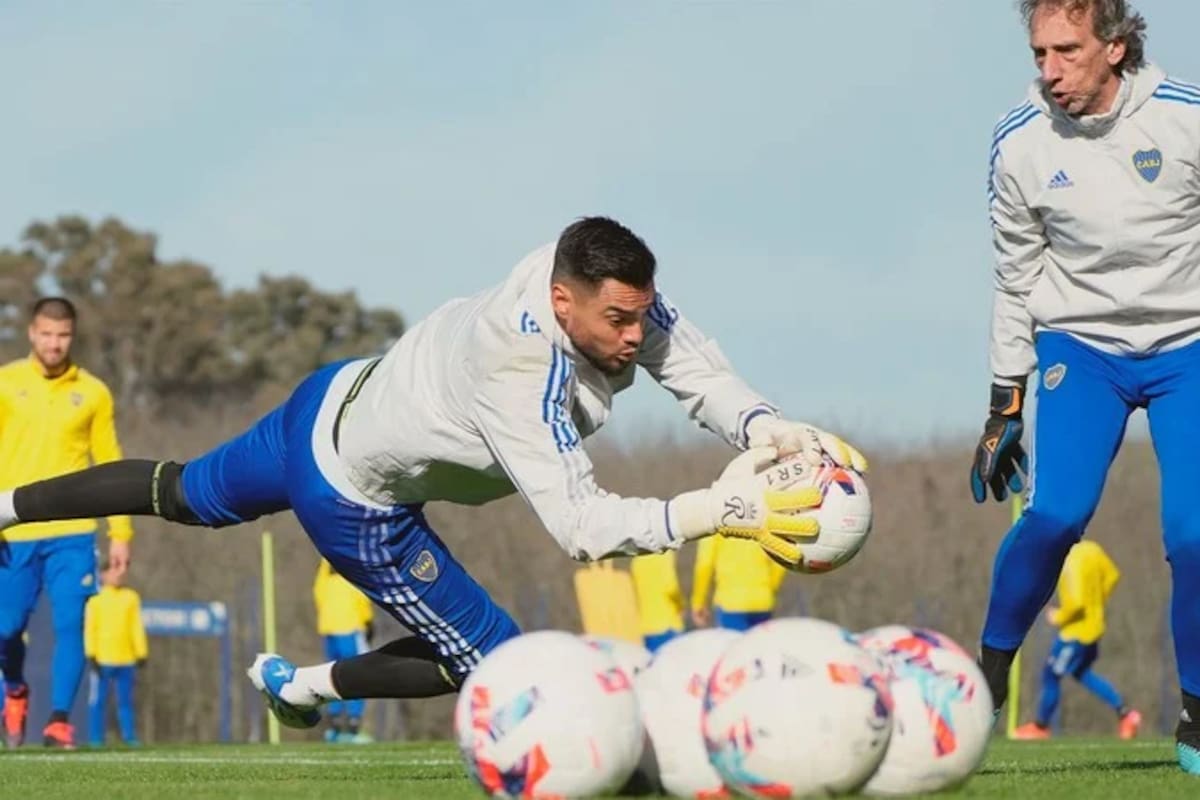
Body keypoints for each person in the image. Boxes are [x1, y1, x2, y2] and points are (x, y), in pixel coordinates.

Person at [0, 216, 866, 731]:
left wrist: (770, 428)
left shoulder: (586, 273)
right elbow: (583, 530)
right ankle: (300, 685)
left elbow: (694, 367)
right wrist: (722, 508)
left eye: (640, 316)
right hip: (354, 500)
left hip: (331, 392)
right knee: (488, 661)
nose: (636, 339)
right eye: (618, 321)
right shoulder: (518, 368)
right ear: (565, 303)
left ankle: (3, 506)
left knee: (182, 491)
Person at [967, 0, 1200, 773]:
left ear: (1115, 45)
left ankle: (1196, 709)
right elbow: (1016, 276)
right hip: (1083, 345)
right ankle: (987, 677)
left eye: (1067, 51)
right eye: (1039, 53)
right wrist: (1005, 400)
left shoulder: (1185, 120)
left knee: (1193, 534)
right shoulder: (1019, 142)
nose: (1049, 70)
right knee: (1057, 512)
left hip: (1188, 347)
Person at [0, 297, 134, 749]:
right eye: (47, 334)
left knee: (70, 623)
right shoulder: (5, 383)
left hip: (73, 532)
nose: (54, 344)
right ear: (32, 334)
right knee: (5, 628)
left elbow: (109, 462)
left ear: (71, 337)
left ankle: (59, 721)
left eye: (63, 335)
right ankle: (15, 689)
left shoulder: (93, 392)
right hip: (12, 531)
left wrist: (121, 531)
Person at [1012, 541, 1141, 740]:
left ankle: (1040, 726)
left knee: (1051, 674)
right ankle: (1125, 714)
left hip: (1076, 633)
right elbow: (1113, 576)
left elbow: (1076, 603)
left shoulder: (1069, 561)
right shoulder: (1091, 549)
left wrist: (1058, 616)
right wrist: (1097, 603)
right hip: (1095, 627)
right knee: (1082, 673)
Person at [84, 557, 147, 747]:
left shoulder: (131, 598)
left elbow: (136, 626)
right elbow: (90, 627)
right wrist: (91, 654)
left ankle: (129, 737)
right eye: (114, 569)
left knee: (125, 702)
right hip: (103, 659)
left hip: (126, 659)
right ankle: (96, 738)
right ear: (103, 575)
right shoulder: (95, 599)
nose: (119, 573)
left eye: (121, 569)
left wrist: (141, 652)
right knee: (98, 702)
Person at [313, 559, 374, 743]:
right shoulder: (351, 572)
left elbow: (318, 593)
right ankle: (354, 723)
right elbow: (362, 597)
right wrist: (368, 620)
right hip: (349, 627)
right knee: (356, 674)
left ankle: (335, 723)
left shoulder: (325, 575)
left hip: (328, 628)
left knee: (332, 674)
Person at [690, 535, 786, 632]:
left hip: (730, 603)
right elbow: (779, 561)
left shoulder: (712, 522)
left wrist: (698, 602)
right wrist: (770, 589)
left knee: (734, 645)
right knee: (758, 646)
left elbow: (705, 563)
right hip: (762, 601)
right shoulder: (763, 521)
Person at [629, 552, 685, 652]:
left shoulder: (636, 560)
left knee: (655, 664)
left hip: (647, 627)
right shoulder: (664, 554)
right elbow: (670, 587)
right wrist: (680, 606)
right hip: (668, 625)